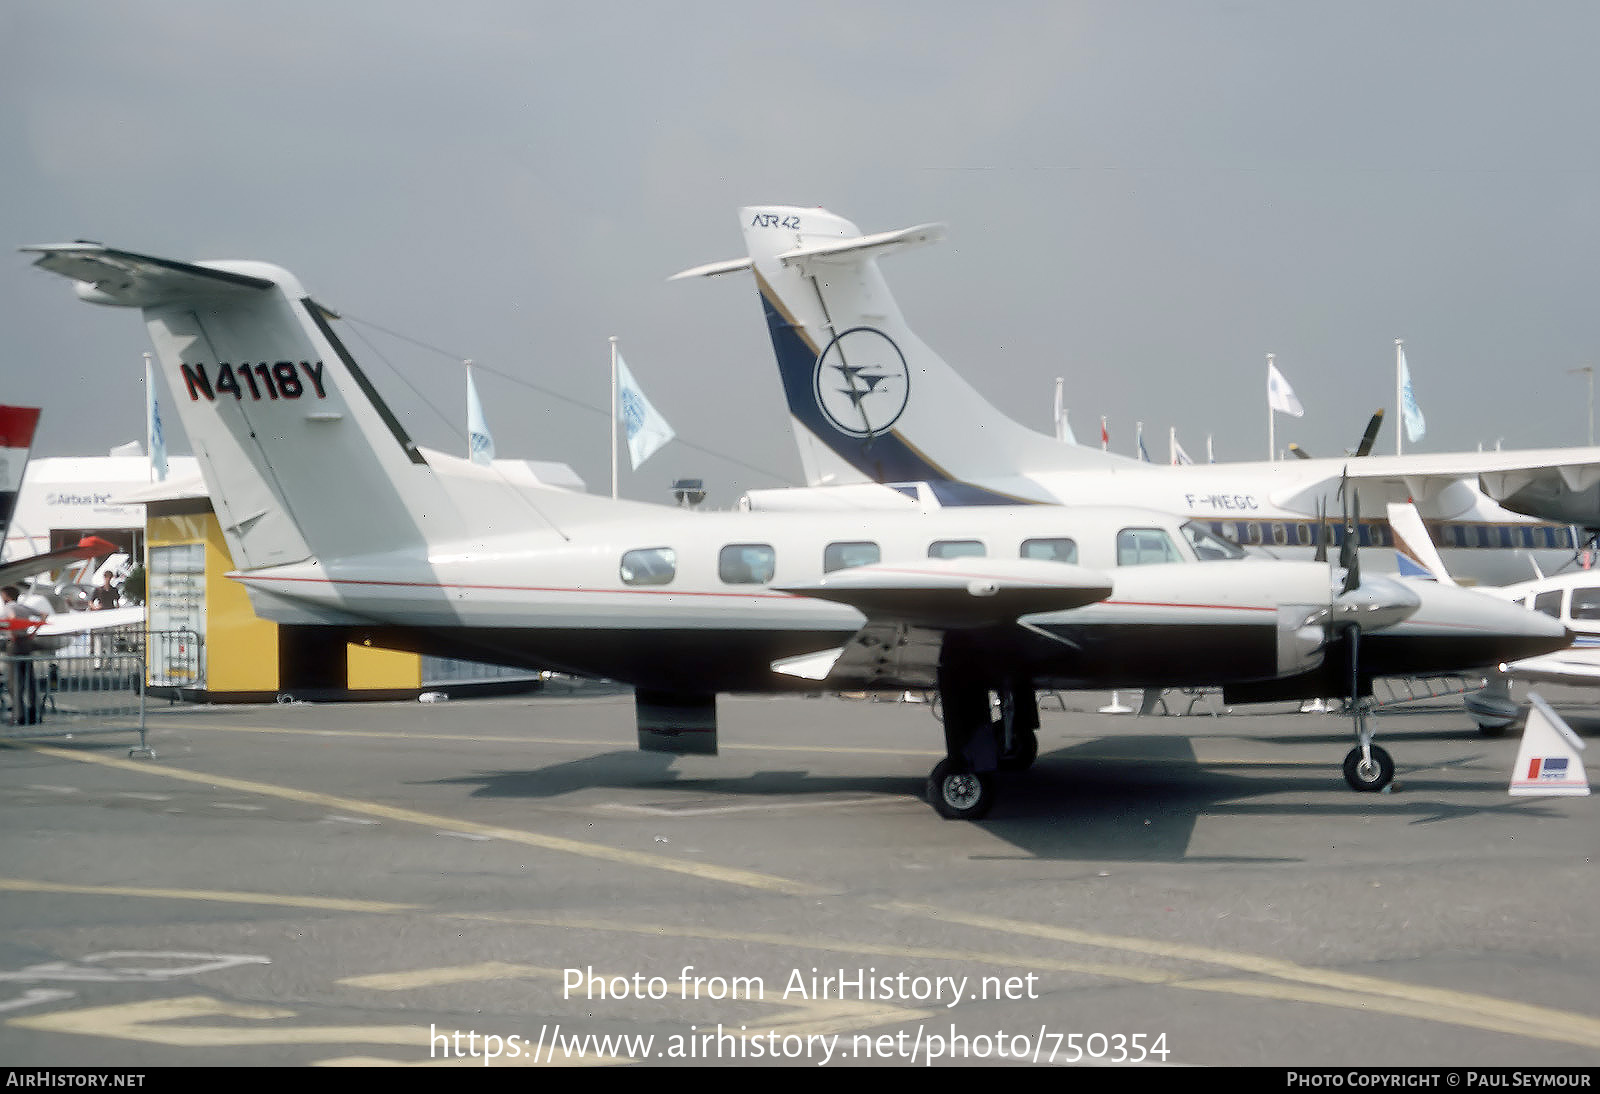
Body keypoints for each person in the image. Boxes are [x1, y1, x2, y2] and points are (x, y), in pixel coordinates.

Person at [1, 586, 43, 726]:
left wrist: (12, 633)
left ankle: (18, 715)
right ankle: (34, 712)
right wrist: (33, 632)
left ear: (7, 596)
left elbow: (12, 618)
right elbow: (43, 615)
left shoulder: (8, 608)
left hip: (15, 644)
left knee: (15, 681)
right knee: (29, 678)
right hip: (26, 642)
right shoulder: (23, 607)